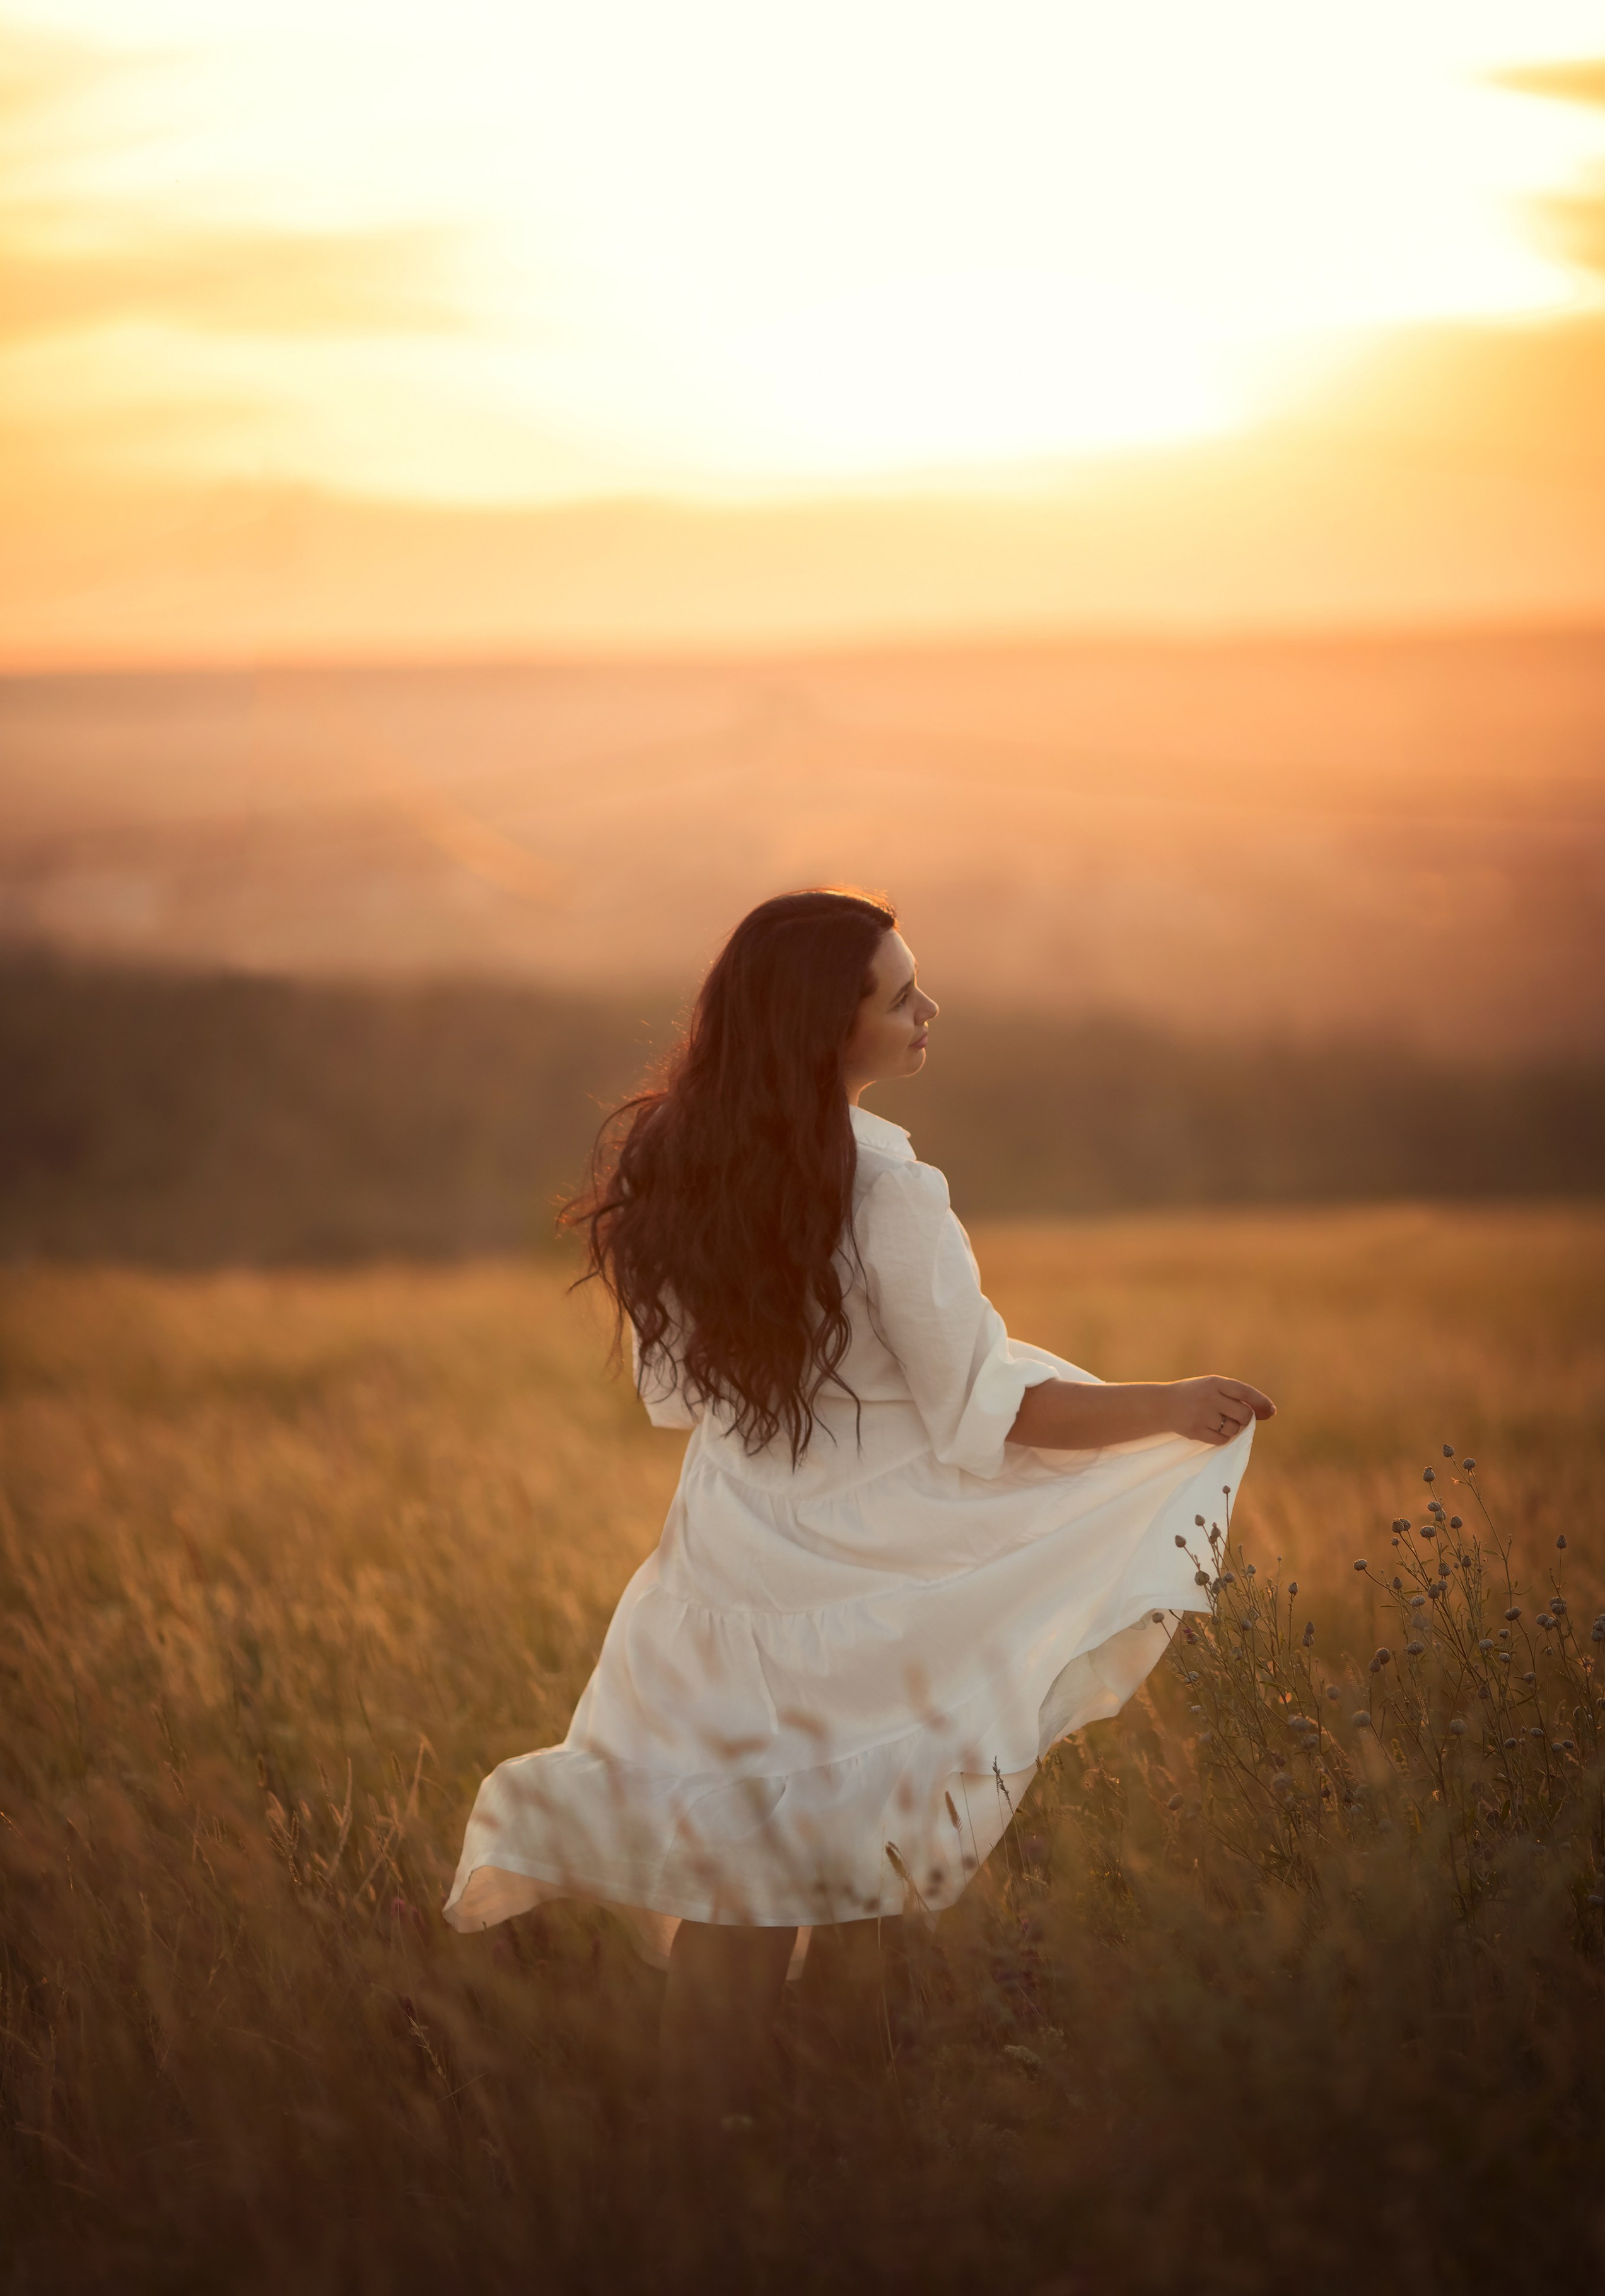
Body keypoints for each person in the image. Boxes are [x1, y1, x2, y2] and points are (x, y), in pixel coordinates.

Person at [443, 887, 1274, 2119]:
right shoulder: (888, 1194)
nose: (928, 1010)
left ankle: (702, 2171)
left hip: (728, 1564)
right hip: (870, 1577)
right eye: (900, 997)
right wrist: (1170, 1403)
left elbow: (673, 1398)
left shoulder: (669, 1159)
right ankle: (807, 2159)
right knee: (845, 1858)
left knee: (743, 1887)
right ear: (823, 1034)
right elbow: (983, 1412)